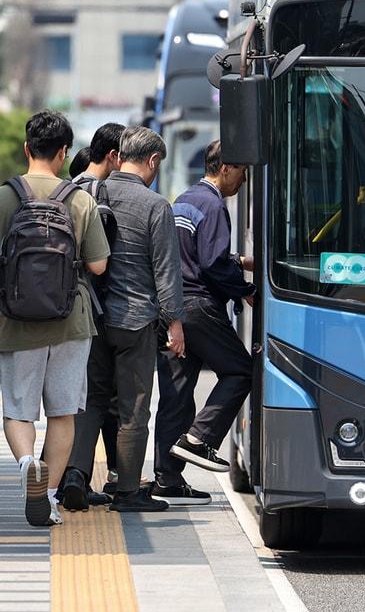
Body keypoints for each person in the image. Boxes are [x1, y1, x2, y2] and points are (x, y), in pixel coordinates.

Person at [0, 111, 109, 527]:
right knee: (64, 412)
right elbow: (99, 266)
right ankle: (47, 497)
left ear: (26, 148)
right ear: (65, 152)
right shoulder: (80, 200)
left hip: (14, 319)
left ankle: (28, 462)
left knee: (19, 410)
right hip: (70, 320)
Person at [61, 126, 184, 514]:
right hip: (134, 320)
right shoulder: (155, 205)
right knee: (133, 407)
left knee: (92, 400)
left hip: (93, 316)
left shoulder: (89, 192)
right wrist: (176, 323)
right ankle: (127, 488)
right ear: (151, 161)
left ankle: (76, 476)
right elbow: (166, 271)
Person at [152, 141, 255, 504]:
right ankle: (200, 439)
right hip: (200, 307)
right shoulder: (214, 204)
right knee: (242, 370)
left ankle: (166, 478)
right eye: (243, 172)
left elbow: (193, 252)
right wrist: (246, 289)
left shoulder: (185, 198)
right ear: (225, 168)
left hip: (174, 308)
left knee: (176, 396)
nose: (244, 182)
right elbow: (211, 264)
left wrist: (239, 260)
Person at [69, 123, 124, 503]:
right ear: (114, 156)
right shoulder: (98, 196)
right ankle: (75, 477)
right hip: (94, 309)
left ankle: (67, 475)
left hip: (59, 306)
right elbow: (100, 264)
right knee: (97, 396)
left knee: (74, 397)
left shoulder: (65, 188)